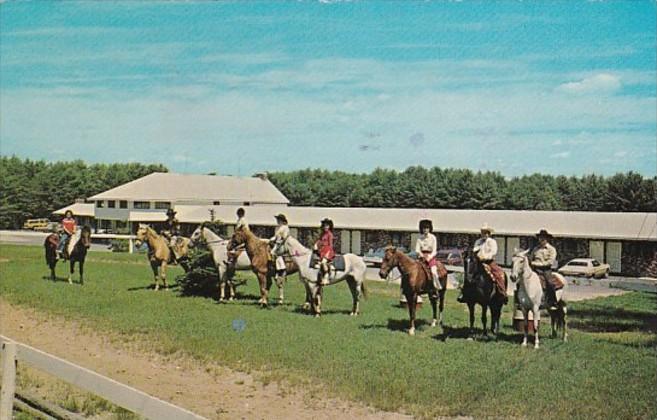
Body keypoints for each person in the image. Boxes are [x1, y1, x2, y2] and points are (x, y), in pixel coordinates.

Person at [460, 223, 507, 303]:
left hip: (489, 262)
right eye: (483, 232)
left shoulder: (492, 242)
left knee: (499, 274)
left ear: (488, 233)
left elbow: (493, 252)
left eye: (485, 232)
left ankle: (502, 292)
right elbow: (475, 250)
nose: (484, 234)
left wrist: (484, 257)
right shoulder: (478, 241)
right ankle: (464, 293)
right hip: (477, 261)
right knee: (468, 274)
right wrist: (476, 254)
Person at [530, 229, 558, 310]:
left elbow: (550, 262)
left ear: (547, 239)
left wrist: (536, 263)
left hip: (546, 269)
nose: (541, 240)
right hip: (534, 269)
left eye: (543, 238)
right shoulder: (535, 249)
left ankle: (553, 302)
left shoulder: (551, 249)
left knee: (550, 283)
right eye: (540, 238)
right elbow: (531, 258)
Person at [415, 219, 442, 292]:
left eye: (427, 228)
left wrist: (429, 257)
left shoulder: (433, 237)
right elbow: (417, 250)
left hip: (430, 257)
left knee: (433, 272)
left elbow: (434, 250)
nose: (425, 230)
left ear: (430, 229)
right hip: (421, 257)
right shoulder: (419, 238)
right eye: (424, 228)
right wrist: (422, 256)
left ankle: (435, 287)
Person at [314, 218, 335, 285]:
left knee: (323, 262)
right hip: (322, 251)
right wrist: (316, 245)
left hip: (328, 251)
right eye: (324, 226)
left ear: (329, 226)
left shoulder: (330, 234)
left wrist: (327, 254)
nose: (325, 227)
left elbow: (330, 245)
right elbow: (319, 241)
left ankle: (326, 276)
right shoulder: (323, 234)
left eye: (327, 226)